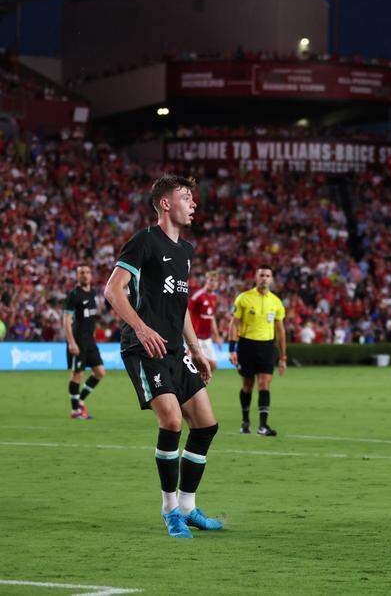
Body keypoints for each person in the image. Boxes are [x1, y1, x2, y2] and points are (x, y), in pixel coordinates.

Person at [103, 174, 223, 539]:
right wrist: (140, 327)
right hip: (144, 349)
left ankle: (188, 507)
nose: (194, 204)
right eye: (186, 197)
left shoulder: (185, 251)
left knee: (205, 424)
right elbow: (113, 290)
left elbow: (181, 304)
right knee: (171, 421)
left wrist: (197, 348)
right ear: (166, 203)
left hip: (174, 348)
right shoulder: (144, 242)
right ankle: (170, 509)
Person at [229, 268, 287, 436]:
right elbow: (234, 324)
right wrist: (232, 349)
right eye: (261, 275)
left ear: (272, 279)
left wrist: (283, 356)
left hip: (267, 347)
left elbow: (281, 331)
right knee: (247, 385)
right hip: (247, 346)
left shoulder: (276, 302)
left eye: (268, 275)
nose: (264, 278)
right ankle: (245, 421)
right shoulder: (244, 298)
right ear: (255, 277)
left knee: (264, 384)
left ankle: (263, 425)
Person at [64, 265, 105, 419]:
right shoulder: (74, 295)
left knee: (100, 372)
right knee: (77, 375)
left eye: (88, 272)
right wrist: (71, 342)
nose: (85, 275)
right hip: (78, 340)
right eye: (82, 273)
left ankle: (79, 400)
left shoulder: (93, 293)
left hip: (90, 341)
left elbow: (92, 317)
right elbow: (66, 320)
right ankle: (75, 411)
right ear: (77, 276)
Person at [187, 270, 223, 366]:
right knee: (196, 365)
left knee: (213, 364)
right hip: (196, 337)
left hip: (207, 337)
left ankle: (199, 381)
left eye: (215, 281)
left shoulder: (214, 297)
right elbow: (187, 315)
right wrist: (187, 337)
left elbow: (211, 318)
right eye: (211, 280)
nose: (213, 283)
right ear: (206, 281)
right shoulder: (198, 296)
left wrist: (217, 336)